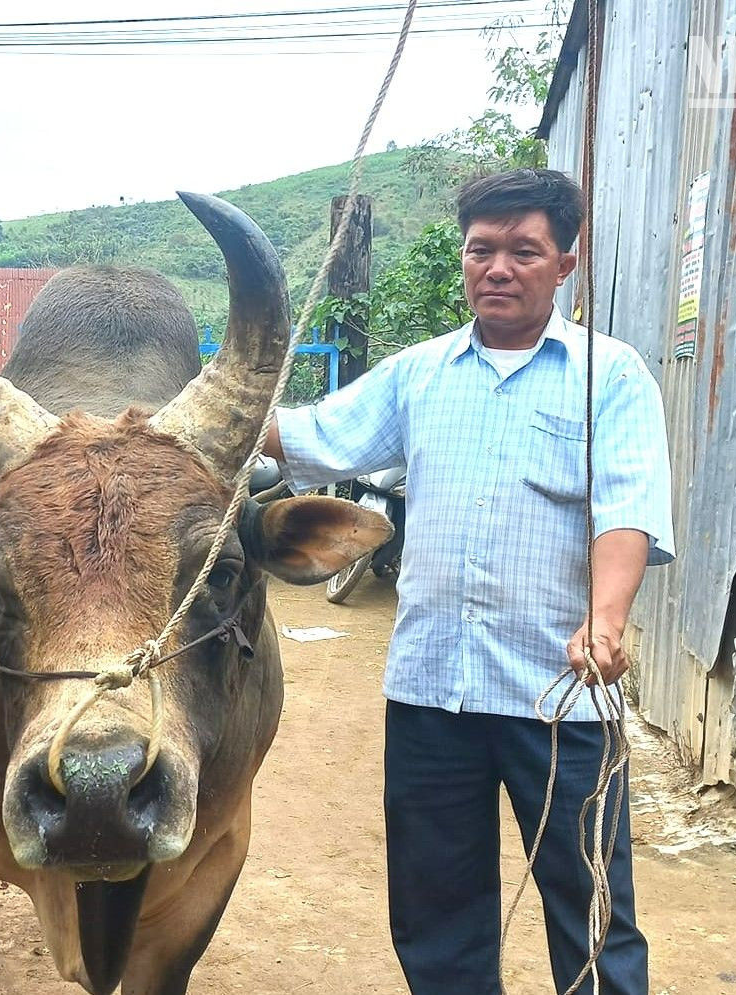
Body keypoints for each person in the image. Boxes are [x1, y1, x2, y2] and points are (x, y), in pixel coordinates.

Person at [264, 168, 674, 995]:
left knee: (590, 904)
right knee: (435, 909)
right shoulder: (418, 375)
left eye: (524, 251)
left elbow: (625, 509)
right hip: (431, 692)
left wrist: (606, 621)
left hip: (559, 693)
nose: (498, 267)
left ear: (564, 265)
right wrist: (202, 411)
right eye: (481, 250)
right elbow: (311, 438)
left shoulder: (613, 374)